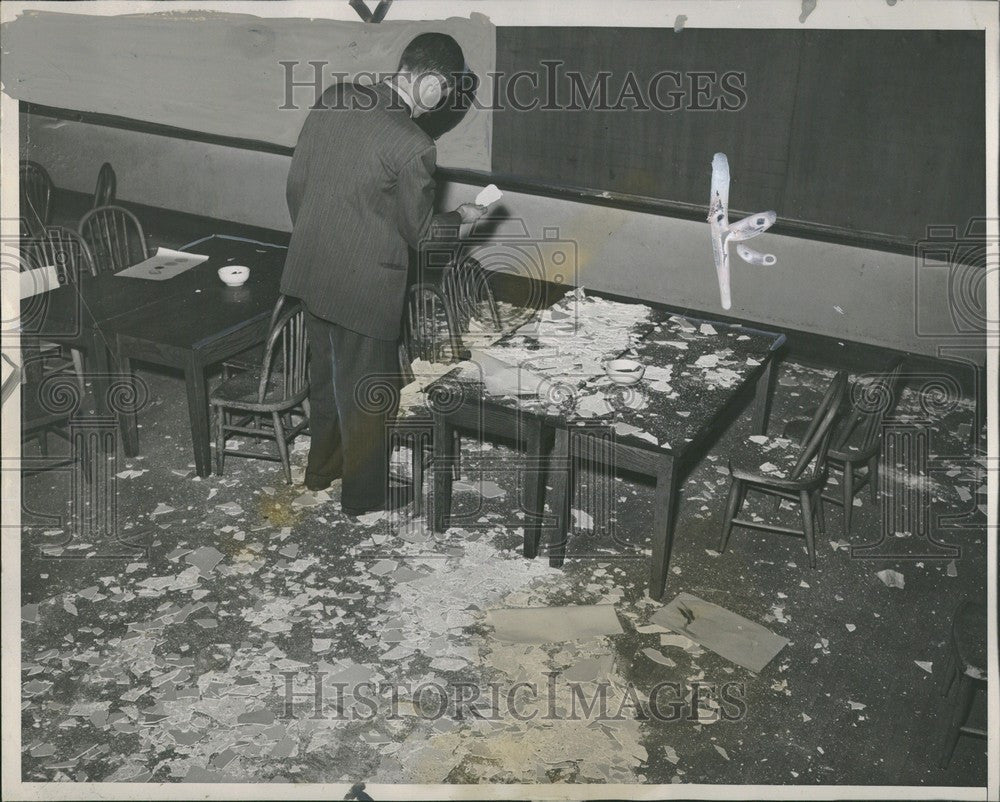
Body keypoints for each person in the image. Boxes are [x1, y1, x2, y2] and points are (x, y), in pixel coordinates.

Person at [280, 32, 486, 515]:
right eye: (446, 92)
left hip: (311, 268)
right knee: (372, 391)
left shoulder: (334, 99)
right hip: (366, 286)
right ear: (432, 85)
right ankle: (364, 496)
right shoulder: (412, 143)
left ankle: (322, 469)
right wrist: (465, 219)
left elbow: (298, 187)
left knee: (327, 376)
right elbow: (424, 236)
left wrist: (320, 240)